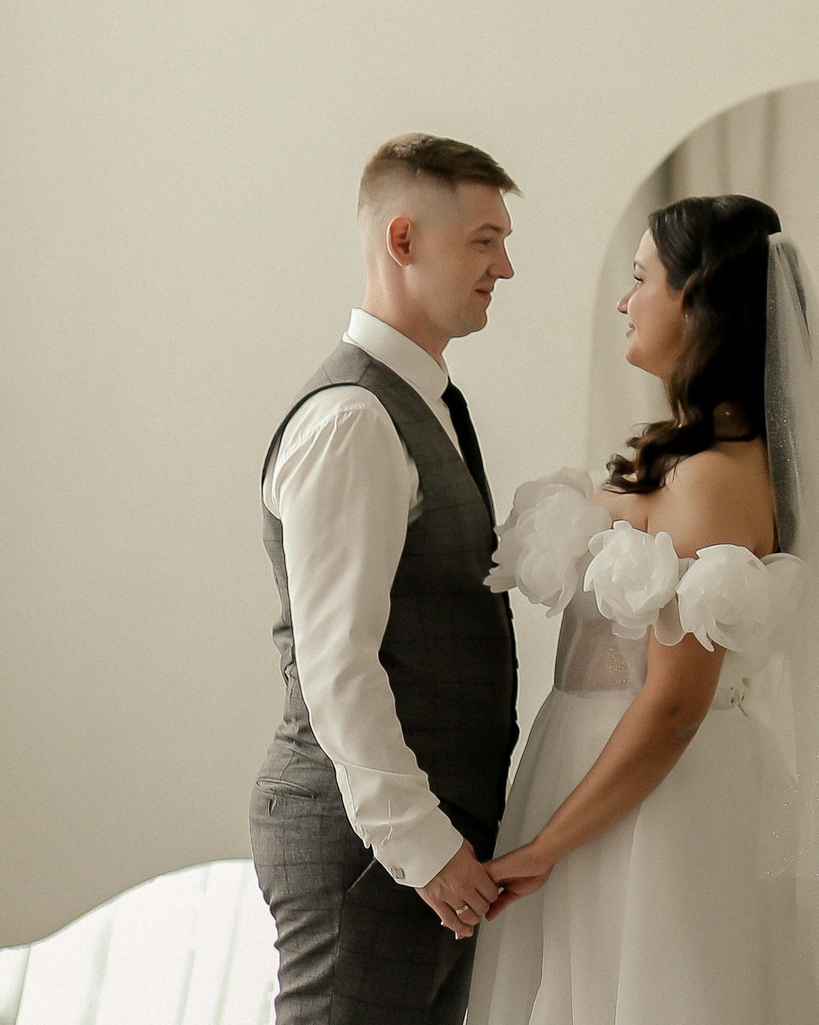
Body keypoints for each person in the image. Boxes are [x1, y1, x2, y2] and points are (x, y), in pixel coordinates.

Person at [468, 196, 819, 1025]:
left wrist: (550, 844)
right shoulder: (685, 459)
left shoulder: (714, 480)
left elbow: (674, 705)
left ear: (698, 304)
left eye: (640, 279)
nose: (624, 301)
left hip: (654, 803)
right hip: (598, 773)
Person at [251, 134, 520, 1025]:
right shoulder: (354, 420)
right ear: (403, 240)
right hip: (371, 852)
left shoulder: (419, 404)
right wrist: (422, 845)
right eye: (484, 241)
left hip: (413, 842)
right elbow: (338, 664)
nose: (504, 267)